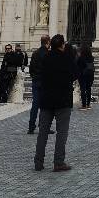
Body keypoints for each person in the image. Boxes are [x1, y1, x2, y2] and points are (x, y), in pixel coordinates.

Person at [34, 34, 76, 172]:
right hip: (63, 99)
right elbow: (74, 75)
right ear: (62, 45)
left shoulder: (45, 57)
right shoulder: (67, 58)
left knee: (43, 132)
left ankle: (38, 162)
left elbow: (39, 74)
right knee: (61, 132)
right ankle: (58, 162)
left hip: (46, 99)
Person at [28, 35, 51, 134]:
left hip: (36, 81)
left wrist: (34, 76)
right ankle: (43, 126)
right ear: (48, 42)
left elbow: (31, 69)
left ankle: (31, 127)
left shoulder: (35, 53)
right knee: (45, 106)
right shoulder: (49, 54)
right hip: (45, 82)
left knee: (35, 105)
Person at [76, 43, 95, 110]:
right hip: (90, 74)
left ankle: (84, 105)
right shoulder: (91, 58)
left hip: (83, 75)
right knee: (88, 89)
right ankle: (88, 104)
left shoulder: (81, 58)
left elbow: (78, 65)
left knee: (83, 89)